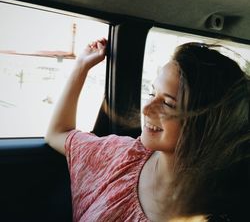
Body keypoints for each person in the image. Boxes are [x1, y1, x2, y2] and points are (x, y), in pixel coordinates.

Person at [45, 38, 249, 222]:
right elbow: (58, 134)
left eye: (168, 104)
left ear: (207, 122)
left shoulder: (221, 209)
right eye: (152, 93)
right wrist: (81, 66)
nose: (146, 109)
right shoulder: (123, 156)